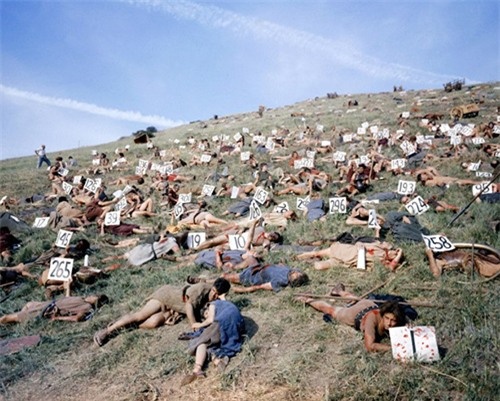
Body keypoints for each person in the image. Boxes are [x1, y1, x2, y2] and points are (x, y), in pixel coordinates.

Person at [93, 281, 215, 347]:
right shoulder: (203, 288)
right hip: (166, 296)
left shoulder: (216, 299)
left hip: (175, 309)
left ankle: (127, 325)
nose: (215, 296)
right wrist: (194, 325)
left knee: (154, 323)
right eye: (214, 292)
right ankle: (107, 331)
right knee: (140, 316)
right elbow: (189, 305)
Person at [296, 286, 407, 352]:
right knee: (331, 310)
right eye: (387, 318)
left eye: (393, 320)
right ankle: (307, 299)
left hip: (369, 304)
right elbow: (370, 346)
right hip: (356, 314)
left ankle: (339, 291)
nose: (389, 323)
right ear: (383, 315)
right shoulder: (371, 320)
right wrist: (393, 349)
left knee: (355, 300)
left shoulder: (399, 319)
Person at [181, 278, 245, 385]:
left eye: (216, 293)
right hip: (238, 323)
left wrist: (198, 324)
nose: (213, 295)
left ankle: (197, 369)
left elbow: (210, 320)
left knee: (201, 341)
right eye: (213, 291)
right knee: (212, 342)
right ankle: (217, 360)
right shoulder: (227, 303)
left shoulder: (213, 304)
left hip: (224, 322)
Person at [0, 279, 108, 324]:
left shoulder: (87, 307)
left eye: (96, 297)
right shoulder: (82, 298)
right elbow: (68, 299)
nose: (92, 296)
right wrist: (68, 287)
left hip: (48, 310)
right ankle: (21, 321)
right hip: (47, 304)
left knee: (6, 317)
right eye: (95, 295)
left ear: (97, 302)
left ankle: (20, 319)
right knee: (28, 304)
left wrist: (57, 318)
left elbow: (77, 318)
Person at [425, 246, 500, 278]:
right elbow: (436, 274)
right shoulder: (439, 261)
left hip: (477, 256)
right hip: (475, 263)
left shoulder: (447, 250)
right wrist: (430, 255)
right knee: (495, 268)